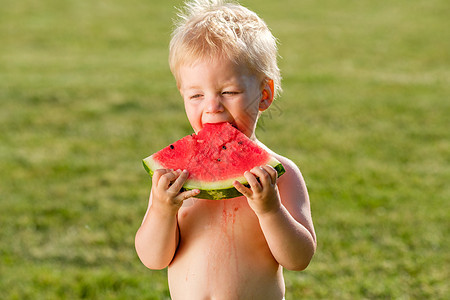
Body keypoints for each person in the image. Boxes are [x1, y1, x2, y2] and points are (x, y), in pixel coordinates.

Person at [135, 0, 316, 299]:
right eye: (195, 95)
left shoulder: (281, 175)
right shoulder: (177, 179)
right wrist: (162, 209)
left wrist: (271, 211)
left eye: (229, 92)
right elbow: (153, 259)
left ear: (264, 93)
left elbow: (299, 259)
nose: (212, 107)